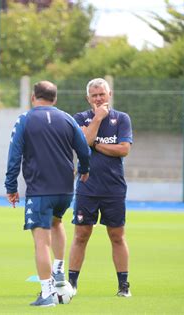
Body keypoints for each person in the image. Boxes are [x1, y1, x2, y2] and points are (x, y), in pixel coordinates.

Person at [5, 81, 91, 307]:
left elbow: (14, 154)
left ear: (34, 97)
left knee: (41, 241)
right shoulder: (67, 119)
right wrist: (84, 169)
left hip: (40, 190)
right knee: (57, 222)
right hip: (64, 189)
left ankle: (46, 294)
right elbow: (83, 149)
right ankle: (59, 272)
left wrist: (11, 187)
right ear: (54, 98)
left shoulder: (25, 119)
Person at [68, 78, 133, 297]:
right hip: (87, 186)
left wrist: (96, 144)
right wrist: (97, 119)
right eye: (94, 95)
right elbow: (83, 142)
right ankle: (72, 284)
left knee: (117, 235)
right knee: (81, 235)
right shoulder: (80, 118)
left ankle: (123, 286)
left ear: (109, 94)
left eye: (102, 94)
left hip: (114, 188)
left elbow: (123, 149)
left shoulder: (122, 119)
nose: (98, 99)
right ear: (88, 98)